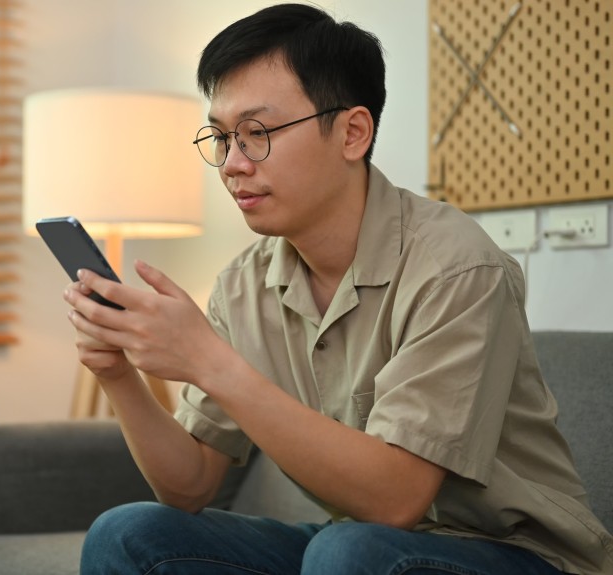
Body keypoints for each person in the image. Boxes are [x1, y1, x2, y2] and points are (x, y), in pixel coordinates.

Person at [61, 4, 613, 574]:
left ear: (352, 133)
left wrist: (210, 361)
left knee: (349, 551)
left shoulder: (458, 268)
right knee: (129, 533)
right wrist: (117, 374)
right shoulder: (245, 284)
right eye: (222, 137)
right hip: (361, 544)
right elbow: (190, 486)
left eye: (256, 133)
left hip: (515, 554)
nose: (231, 164)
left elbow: (395, 499)